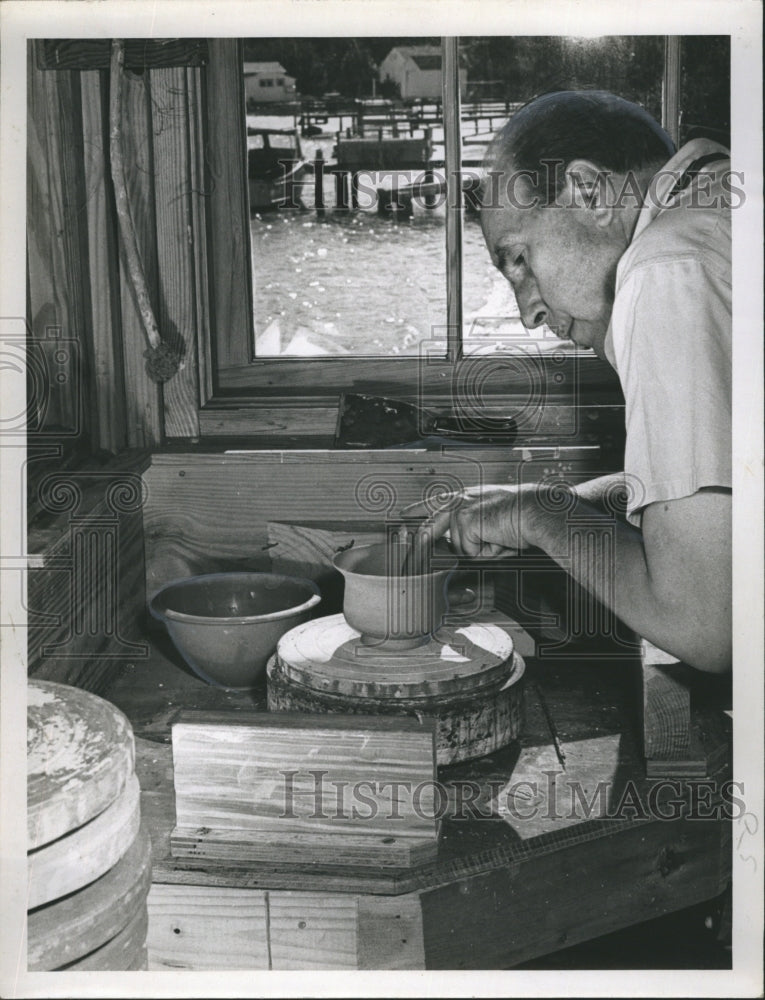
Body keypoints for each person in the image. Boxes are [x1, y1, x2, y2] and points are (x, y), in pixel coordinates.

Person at [407, 91, 732, 673]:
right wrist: (556, 502)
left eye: (519, 260)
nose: (529, 312)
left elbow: (708, 626)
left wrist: (542, 518)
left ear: (589, 191)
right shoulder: (720, 212)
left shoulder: (666, 271)